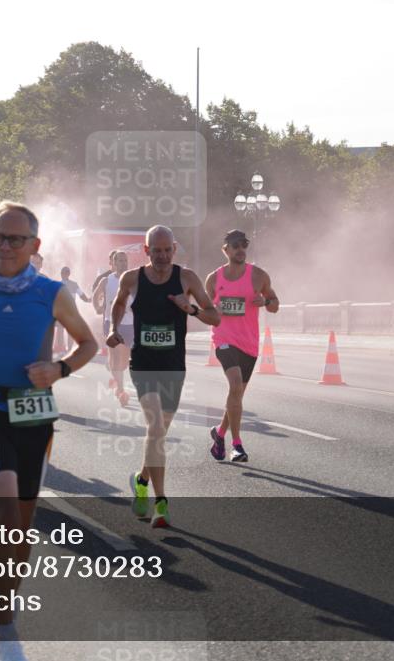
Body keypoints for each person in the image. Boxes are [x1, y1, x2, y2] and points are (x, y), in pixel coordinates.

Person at [0, 201, 97, 660]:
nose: (6, 246)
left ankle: (6, 599)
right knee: (7, 520)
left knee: (24, 530)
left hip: (36, 416)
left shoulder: (52, 292)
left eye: (16, 239)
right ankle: (4, 624)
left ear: (35, 246)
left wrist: (60, 369)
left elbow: (88, 342)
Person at [108, 225, 219, 528]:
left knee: (158, 434)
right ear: (146, 251)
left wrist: (191, 309)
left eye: (167, 250)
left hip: (173, 366)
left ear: (174, 248)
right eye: (155, 250)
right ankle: (161, 503)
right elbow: (118, 304)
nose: (162, 255)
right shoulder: (133, 278)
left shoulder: (187, 278)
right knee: (155, 427)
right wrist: (113, 329)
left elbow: (215, 316)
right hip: (143, 363)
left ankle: (141, 480)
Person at [205, 230, 280, 462]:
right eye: (235, 245)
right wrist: (212, 311)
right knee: (235, 384)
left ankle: (219, 434)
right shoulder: (214, 279)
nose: (240, 249)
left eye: (244, 245)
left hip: (249, 343)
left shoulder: (258, 276)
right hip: (224, 339)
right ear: (225, 250)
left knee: (236, 395)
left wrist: (265, 301)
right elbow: (203, 309)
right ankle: (237, 446)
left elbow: (275, 305)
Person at [95, 252, 133, 406]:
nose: (123, 263)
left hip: (129, 323)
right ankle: (121, 389)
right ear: (113, 263)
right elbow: (96, 296)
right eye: (119, 260)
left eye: (125, 260)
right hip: (111, 322)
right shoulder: (106, 281)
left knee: (124, 361)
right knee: (116, 355)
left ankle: (114, 373)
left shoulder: (133, 280)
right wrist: (98, 307)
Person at [53, 266, 90, 355]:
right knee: (60, 331)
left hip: (70, 311)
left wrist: (88, 300)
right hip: (60, 311)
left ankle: (69, 349)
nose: (64, 274)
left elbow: (81, 295)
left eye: (66, 272)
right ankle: (62, 349)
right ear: (61, 274)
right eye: (63, 272)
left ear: (69, 274)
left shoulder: (74, 284)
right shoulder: (57, 284)